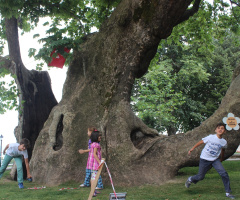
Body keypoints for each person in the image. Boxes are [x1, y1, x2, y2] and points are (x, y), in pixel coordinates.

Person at [185, 123, 235, 199]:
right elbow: (201, 142)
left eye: (222, 128)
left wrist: (221, 158)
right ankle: (190, 179)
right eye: (218, 128)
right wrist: (192, 148)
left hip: (215, 160)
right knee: (200, 177)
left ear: (224, 131)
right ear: (215, 130)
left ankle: (228, 193)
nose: (220, 129)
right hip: (204, 159)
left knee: (224, 174)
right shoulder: (210, 137)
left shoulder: (224, 142)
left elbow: (223, 149)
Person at [88, 131, 102, 197]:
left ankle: (93, 191)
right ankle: (92, 192)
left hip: (92, 163)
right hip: (95, 163)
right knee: (94, 178)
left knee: (93, 177)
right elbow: (94, 154)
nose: (100, 137)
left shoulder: (92, 144)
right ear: (96, 137)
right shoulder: (96, 145)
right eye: (99, 136)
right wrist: (99, 162)